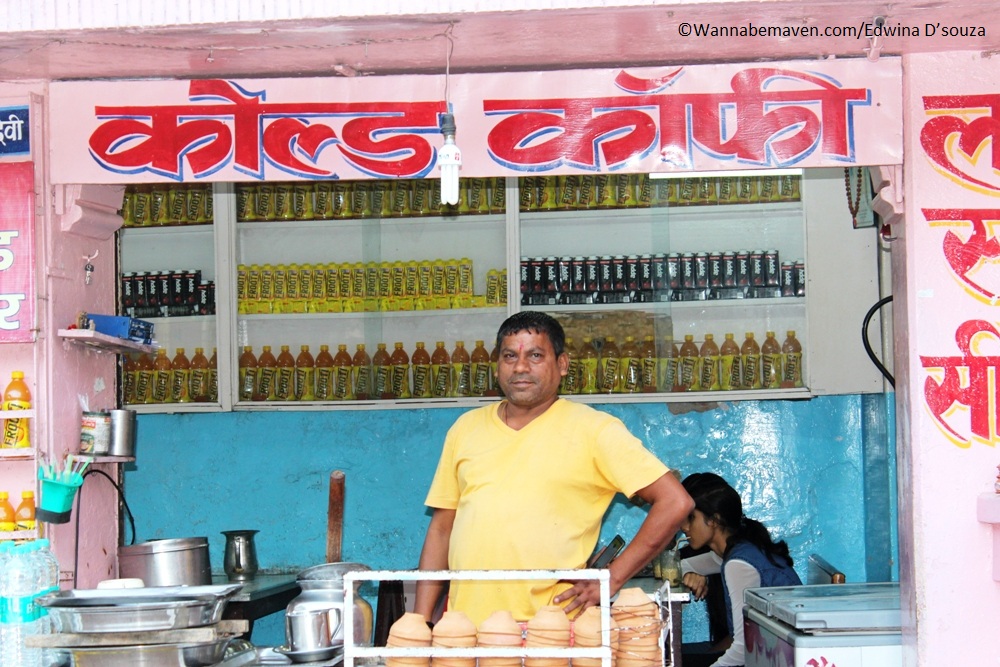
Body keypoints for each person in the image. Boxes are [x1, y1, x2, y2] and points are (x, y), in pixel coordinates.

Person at [413, 311, 693, 626]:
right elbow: (441, 529)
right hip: (468, 628)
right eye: (509, 356)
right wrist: (421, 622)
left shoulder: (595, 430)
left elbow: (675, 502)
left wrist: (611, 580)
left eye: (535, 355)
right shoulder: (465, 429)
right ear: (497, 365)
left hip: (552, 631)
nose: (520, 367)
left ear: (562, 364)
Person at [679, 472, 802, 667]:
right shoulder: (735, 550)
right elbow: (680, 567)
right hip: (770, 654)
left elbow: (743, 651)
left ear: (714, 519)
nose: (683, 526)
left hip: (777, 659)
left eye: (691, 518)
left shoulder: (739, 564)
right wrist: (689, 575)